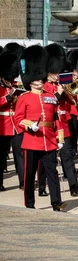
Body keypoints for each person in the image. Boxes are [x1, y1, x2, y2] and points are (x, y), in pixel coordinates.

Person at [14, 45, 66, 211]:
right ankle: (29, 203)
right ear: (29, 80)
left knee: (52, 173)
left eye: (40, 78)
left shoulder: (50, 97)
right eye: (35, 79)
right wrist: (31, 126)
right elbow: (18, 119)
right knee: (29, 175)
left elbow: (57, 118)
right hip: (32, 141)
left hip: (49, 140)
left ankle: (56, 202)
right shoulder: (24, 98)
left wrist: (60, 138)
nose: (38, 81)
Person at [44, 44, 78, 197]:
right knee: (48, 160)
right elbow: (46, 104)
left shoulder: (59, 84)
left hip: (63, 124)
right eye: (54, 72)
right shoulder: (44, 87)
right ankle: (43, 185)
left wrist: (67, 91)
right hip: (50, 125)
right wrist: (58, 93)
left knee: (67, 155)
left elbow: (71, 102)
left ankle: (73, 185)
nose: (57, 75)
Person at [0, 51, 21, 191]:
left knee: (20, 155)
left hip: (16, 125)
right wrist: (7, 98)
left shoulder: (16, 84)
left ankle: (23, 181)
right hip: (2, 126)